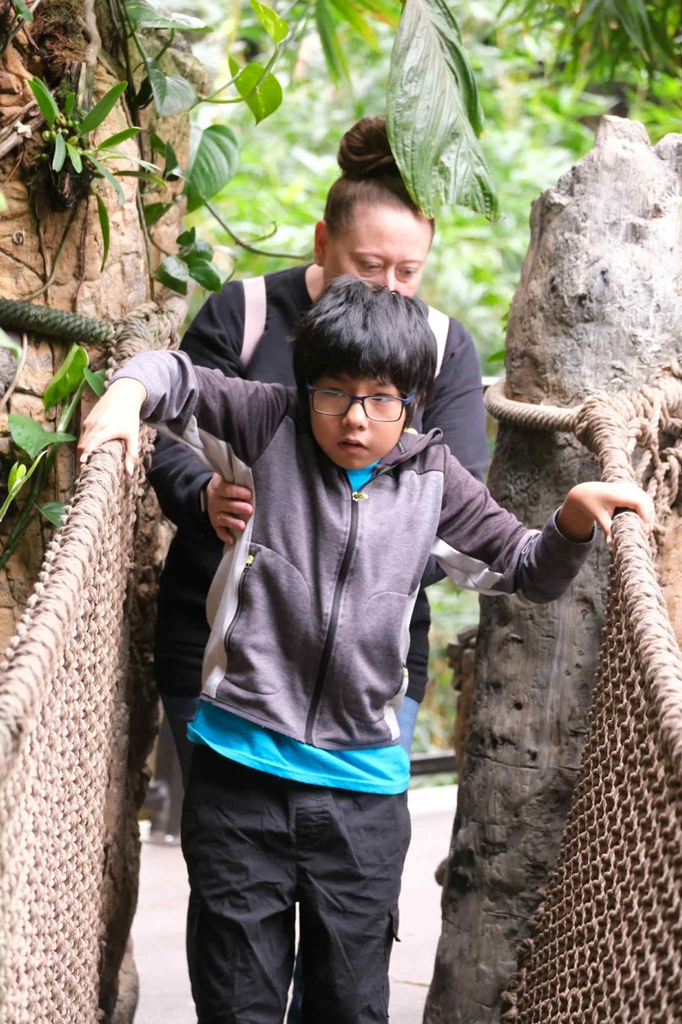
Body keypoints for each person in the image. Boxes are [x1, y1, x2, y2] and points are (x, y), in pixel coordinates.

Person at [79, 278, 654, 1024]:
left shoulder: (432, 479)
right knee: (237, 1003)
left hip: (362, 797)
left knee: (350, 1005)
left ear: (412, 400)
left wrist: (572, 522)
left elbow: (523, 567)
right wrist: (124, 398)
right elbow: (172, 376)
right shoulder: (268, 427)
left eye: (381, 398)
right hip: (238, 779)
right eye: (334, 393)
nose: (355, 419)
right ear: (304, 387)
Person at [148, 116, 490, 784]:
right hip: (218, 641)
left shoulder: (445, 348)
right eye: (368, 266)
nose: (387, 287)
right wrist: (204, 496)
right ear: (323, 241)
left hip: (370, 673)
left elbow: (460, 497)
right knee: (232, 864)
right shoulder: (243, 313)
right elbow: (169, 441)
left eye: (408, 272)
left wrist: (346, 563)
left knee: (354, 868)